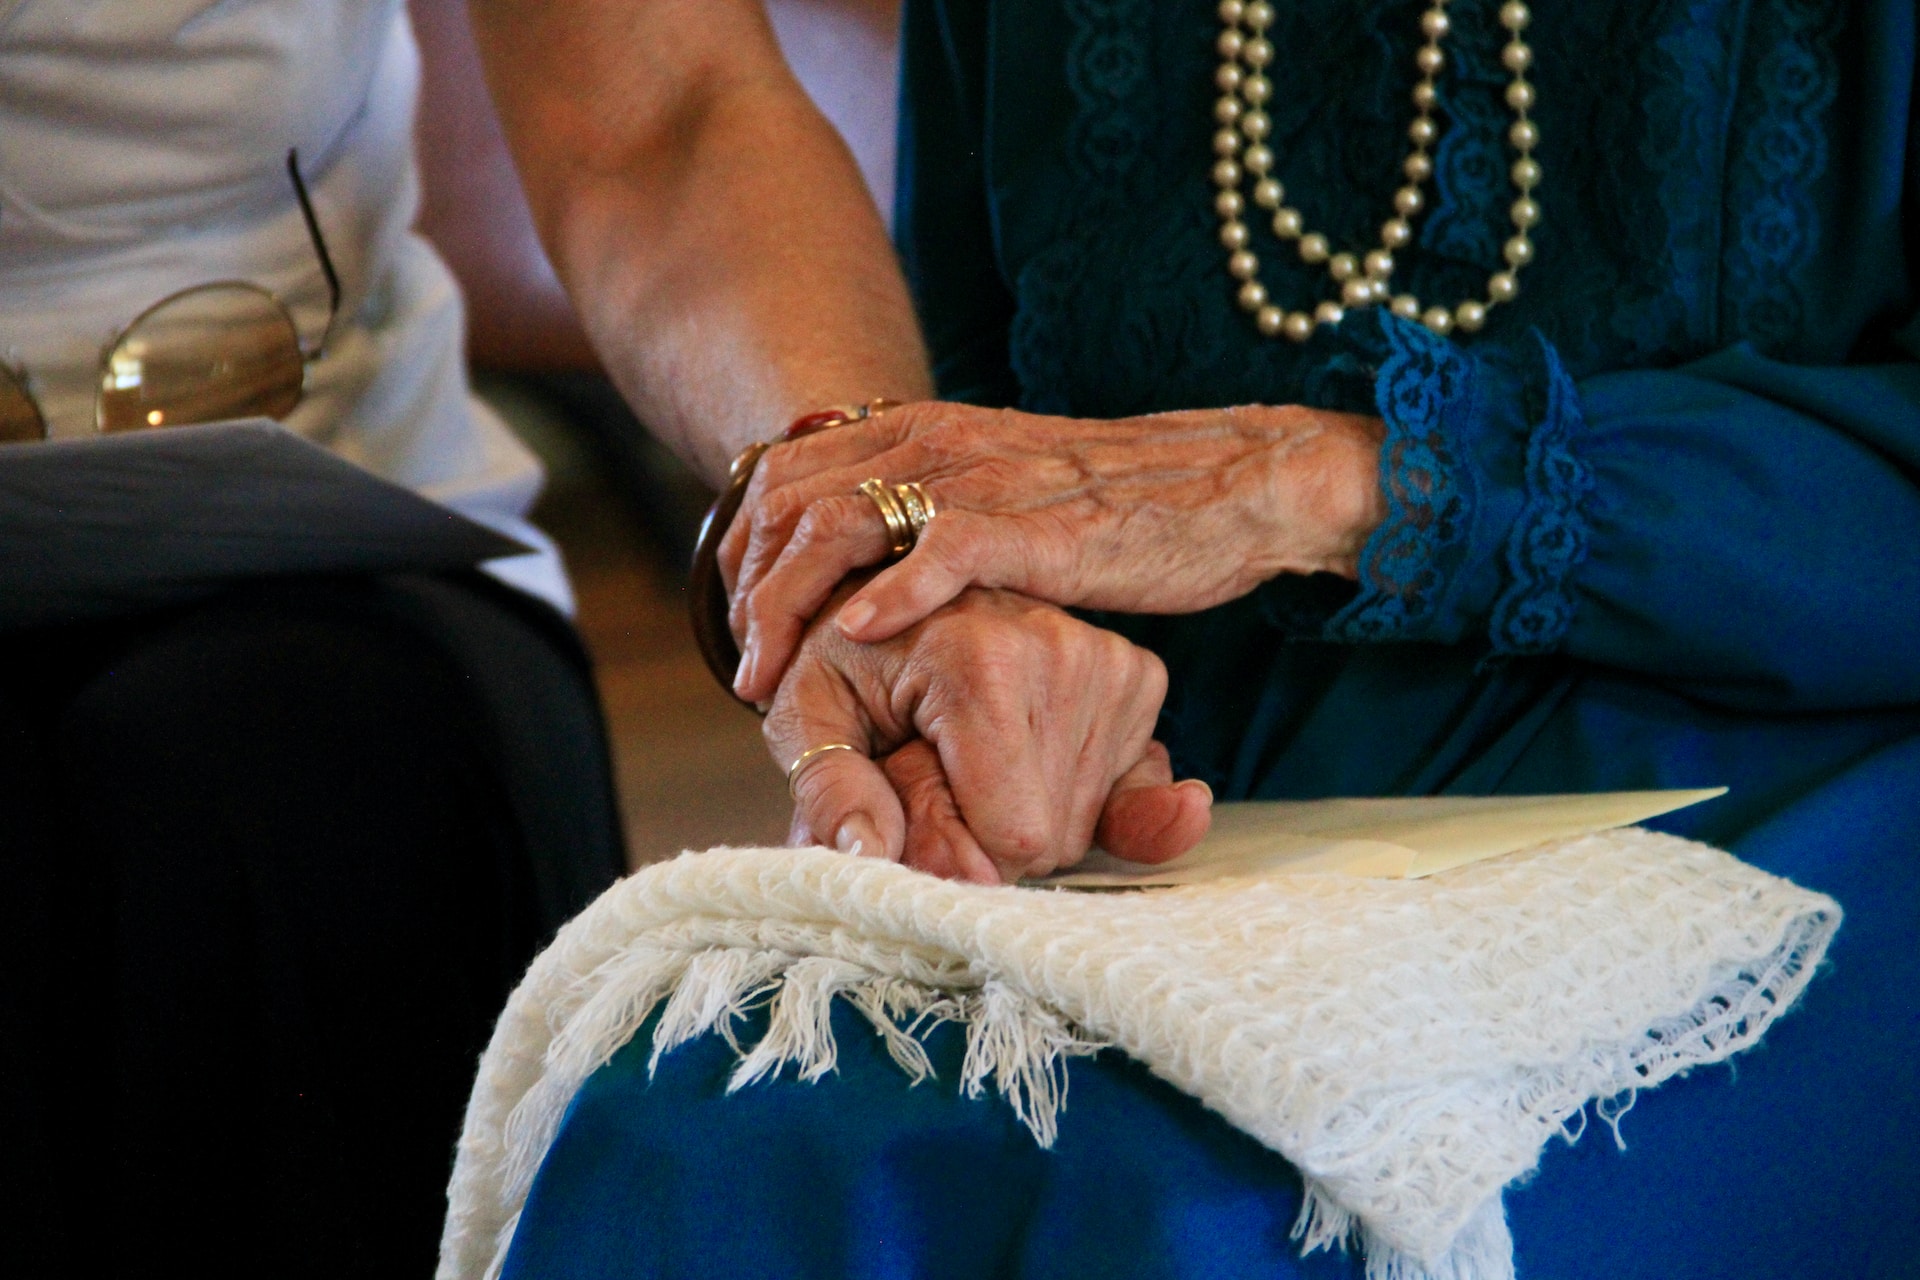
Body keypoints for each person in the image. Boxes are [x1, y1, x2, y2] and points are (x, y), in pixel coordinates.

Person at [482, 0, 1920, 1276]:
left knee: (1191, 1216)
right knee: (698, 1132)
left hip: (1780, 735)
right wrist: (919, 577)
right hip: (1159, 763)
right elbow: (663, 109)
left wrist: (1340, 484)